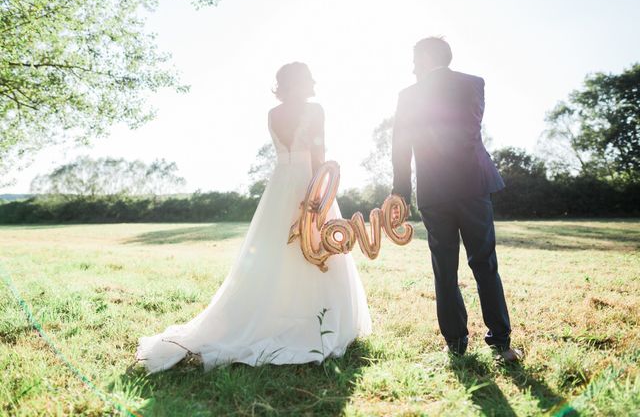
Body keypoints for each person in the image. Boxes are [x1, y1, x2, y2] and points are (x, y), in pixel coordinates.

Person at [136, 62, 371, 373]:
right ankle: (317, 321)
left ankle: (274, 313)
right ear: (303, 82)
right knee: (317, 247)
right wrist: (320, 201)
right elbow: (319, 156)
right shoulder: (315, 111)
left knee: (275, 252)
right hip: (309, 184)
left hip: (279, 185)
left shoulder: (273, 114)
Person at [391, 37, 521, 361]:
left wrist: (401, 194)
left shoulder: (408, 96)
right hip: (472, 184)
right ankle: (502, 344)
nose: (411, 66)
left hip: (434, 192)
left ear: (426, 57)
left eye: (414, 58)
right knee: (484, 263)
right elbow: (469, 130)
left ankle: (457, 345)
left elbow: (400, 149)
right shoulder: (473, 84)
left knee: (444, 270)